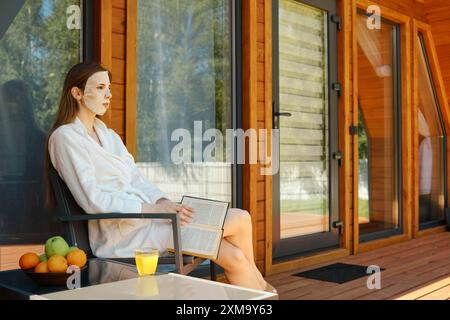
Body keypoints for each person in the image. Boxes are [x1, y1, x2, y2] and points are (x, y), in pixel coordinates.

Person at [45, 62, 276, 292]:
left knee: (236, 247)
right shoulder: (65, 138)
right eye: (100, 87)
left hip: (150, 220)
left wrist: (162, 203)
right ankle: (267, 291)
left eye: (109, 87)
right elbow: (92, 199)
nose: (108, 94)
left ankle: (265, 292)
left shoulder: (108, 135)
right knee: (238, 224)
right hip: (122, 235)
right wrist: (153, 210)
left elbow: (136, 178)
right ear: (76, 93)